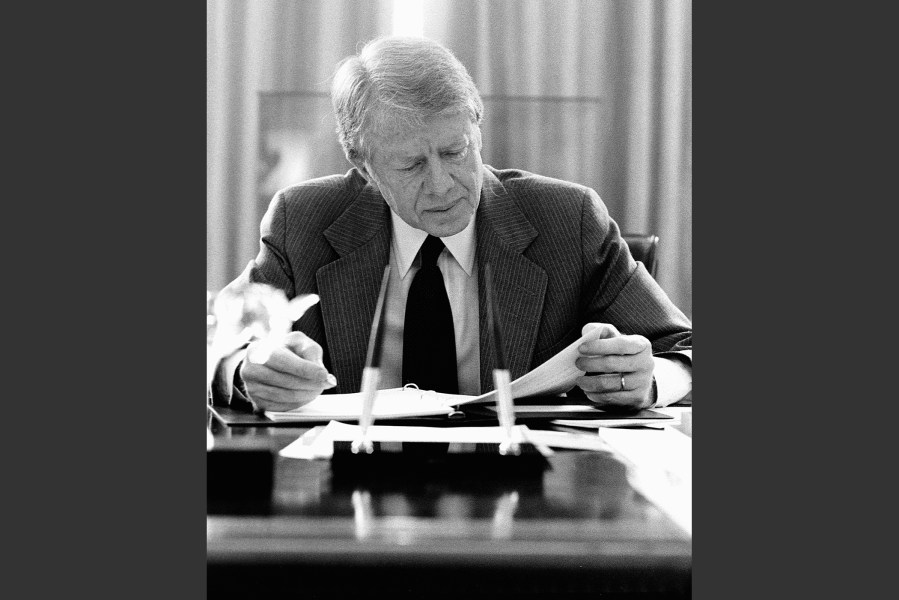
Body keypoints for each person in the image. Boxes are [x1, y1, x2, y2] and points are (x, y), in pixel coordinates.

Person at [211, 35, 692, 415]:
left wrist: (648, 379)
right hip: (352, 493)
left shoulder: (569, 220)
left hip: (527, 497)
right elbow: (214, 343)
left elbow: (685, 348)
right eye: (411, 165)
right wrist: (242, 369)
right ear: (362, 164)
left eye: (454, 152)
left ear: (477, 127)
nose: (442, 185)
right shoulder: (305, 222)